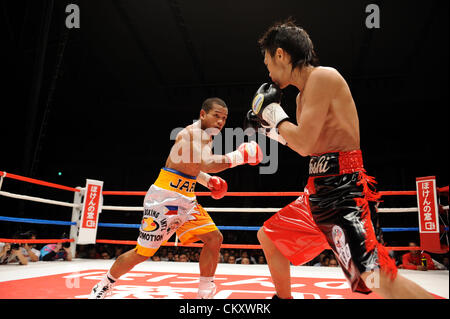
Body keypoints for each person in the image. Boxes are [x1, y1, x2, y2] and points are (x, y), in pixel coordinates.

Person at [247, 19, 434, 299]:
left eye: (267, 63)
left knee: (374, 277)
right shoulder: (300, 99)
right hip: (317, 192)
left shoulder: (323, 77)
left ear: (281, 54)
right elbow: (305, 147)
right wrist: (270, 130)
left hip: (345, 190)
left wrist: (273, 115)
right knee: (270, 237)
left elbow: (306, 141)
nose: (268, 72)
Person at [89, 97, 263, 299]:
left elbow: (187, 166)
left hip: (186, 198)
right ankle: (104, 284)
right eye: (216, 116)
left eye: (224, 118)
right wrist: (240, 156)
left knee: (214, 238)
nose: (220, 122)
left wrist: (207, 182)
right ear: (202, 114)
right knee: (142, 253)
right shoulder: (193, 134)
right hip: (165, 199)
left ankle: (205, 292)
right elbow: (207, 163)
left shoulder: (203, 135)